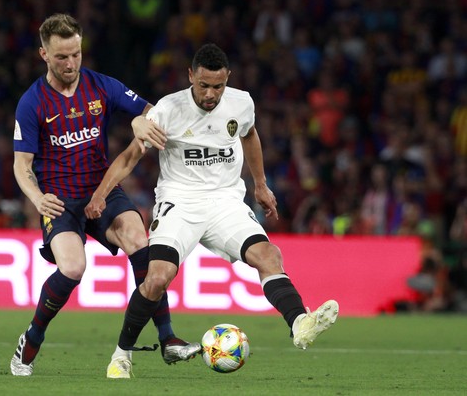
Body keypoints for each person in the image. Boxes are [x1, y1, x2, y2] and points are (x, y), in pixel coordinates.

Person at [85, 43, 339, 379]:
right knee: (157, 277)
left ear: (227, 79)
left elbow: (249, 135)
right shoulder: (168, 110)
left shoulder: (241, 102)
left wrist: (260, 184)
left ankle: (299, 324)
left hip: (225, 200)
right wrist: (100, 195)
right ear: (191, 76)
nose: (210, 94)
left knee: (268, 255)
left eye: (217, 86)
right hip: (180, 200)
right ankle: (121, 356)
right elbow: (131, 156)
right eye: (203, 85)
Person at [10, 13, 199, 377]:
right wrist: (37, 199)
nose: (71, 64)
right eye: (62, 57)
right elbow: (22, 165)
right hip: (60, 201)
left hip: (102, 190)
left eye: (76, 54)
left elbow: (151, 111)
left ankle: (168, 339)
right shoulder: (32, 103)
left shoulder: (101, 86)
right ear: (44, 55)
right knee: (73, 268)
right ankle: (31, 338)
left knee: (139, 239)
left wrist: (143, 119)